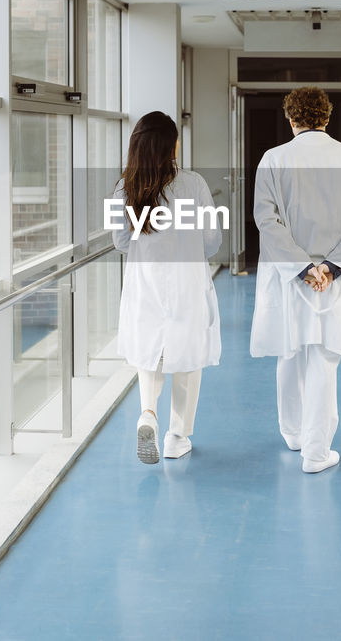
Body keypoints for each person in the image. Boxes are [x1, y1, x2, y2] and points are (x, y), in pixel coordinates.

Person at [249, 86, 341, 473]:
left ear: (291, 118)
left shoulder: (273, 159)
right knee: (325, 358)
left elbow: (267, 220)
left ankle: (294, 433)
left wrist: (302, 267)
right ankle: (316, 452)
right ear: (327, 116)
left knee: (290, 351)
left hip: (289, 277)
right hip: (335, 280)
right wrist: (330, 267)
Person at [110, 111, 222, 464]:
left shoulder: (125, 187)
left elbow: (120, 241)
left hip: (145, 282)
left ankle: (148, 414)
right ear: (172, 145)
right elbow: (212, 240)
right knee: (188, 355)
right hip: (187, 281)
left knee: (151, 350)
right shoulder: (193, 184)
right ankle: (177, 436)